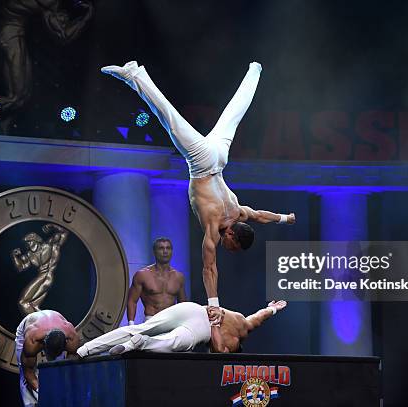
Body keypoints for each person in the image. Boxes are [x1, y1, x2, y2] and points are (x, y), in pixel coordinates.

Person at [100, 61, 296, 315]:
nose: (229, 250)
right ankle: (134, 75)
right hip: (202, 163)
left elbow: (261, 216)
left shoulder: (240, 213)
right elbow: (209, 269)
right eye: (232, 247)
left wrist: (285, 218)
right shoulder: (215, 228)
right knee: (170, 120)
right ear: (232, 236)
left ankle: (254, 70)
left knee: (234, 114)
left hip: (219, 157)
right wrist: (214, 305)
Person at [0, 0, 94, 133]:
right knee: (17, 97)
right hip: (10, 35)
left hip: (9, 33)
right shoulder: (49, 3)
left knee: (21, 97)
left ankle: (0, 125)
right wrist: (86, 17)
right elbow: (63, 36)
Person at [76, 300, 287, 357]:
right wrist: (216, 322)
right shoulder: (231, 346)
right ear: (238, 347)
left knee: (141, 327)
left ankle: (85, 349)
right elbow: (218, 347)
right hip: (201, 326)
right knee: (174, 343)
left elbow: (260, 316)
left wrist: (273, 309)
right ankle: (143, 344)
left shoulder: (245, 323)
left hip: (191, 308)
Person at [15, 309, 79, 407]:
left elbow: (68, 368)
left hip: (56, 322)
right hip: (30, 325)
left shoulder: (71, 336)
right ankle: (31, 405)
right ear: (43, 344)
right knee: (24, 374)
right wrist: (42, 392)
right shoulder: (32, 340)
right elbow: (28, 372)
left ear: (65, 343)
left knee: (59, 369)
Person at [11, 223, 69, 315]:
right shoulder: (29, 255)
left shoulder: (50, 245)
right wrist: (14, 257)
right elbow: (21, 267)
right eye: (27, 243)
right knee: (33, 306)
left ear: (36, 240)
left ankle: (37, 325)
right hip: (44, 277)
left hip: (46, 276)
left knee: (23, 303)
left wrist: (53, 226)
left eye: (30, 241)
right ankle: (44, 325)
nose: (28, 245)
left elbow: (64, 233)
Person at [127, 237, 187, 324]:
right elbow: (132, 301)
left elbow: (183, 305)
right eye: (161, 248)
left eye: (168, 248)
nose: (165, 251)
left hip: (171, 321)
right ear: (154, 252)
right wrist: (131, 324)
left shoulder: (178, 277)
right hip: (151, 320)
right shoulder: (142, 275)